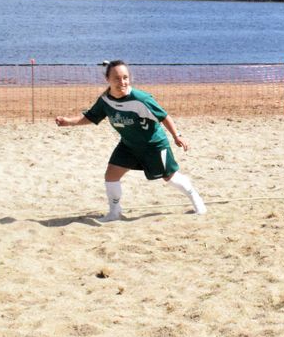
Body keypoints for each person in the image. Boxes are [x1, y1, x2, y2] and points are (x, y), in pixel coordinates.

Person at [55, 60, 207, 220]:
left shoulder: (140, 98)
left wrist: (177, 136)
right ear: (108, 79)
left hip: (153, 146)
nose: (122, 82)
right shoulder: (105, 100)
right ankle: (115, 213)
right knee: (111, 176)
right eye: (117, 78)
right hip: (128, 145)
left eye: (125, 77)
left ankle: (196, 199)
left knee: (170, 178)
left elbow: (164, 116)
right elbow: (91, 117)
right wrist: (68, 122)